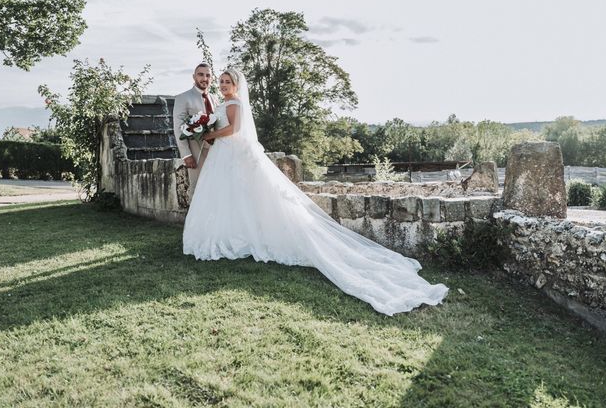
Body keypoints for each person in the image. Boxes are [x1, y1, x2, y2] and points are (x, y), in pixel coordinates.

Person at [182, 68, 448, 315]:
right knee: (230, 200)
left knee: (242, 197)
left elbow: (234, 130)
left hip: (233, 154)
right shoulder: (221, 102)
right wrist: (205, 130)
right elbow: (220, 127)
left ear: (236, 84)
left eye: (228, 82)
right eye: (222, 82)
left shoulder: (236, 103)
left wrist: (208, 135)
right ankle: (232, 235)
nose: (224, 85)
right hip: (224, 158)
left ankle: (246, 236)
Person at [173, 63, 220, 201]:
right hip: (196, 152)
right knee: (197, 189)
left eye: (208, 75)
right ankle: (195, 222)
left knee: (216, 188)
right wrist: (186, 155)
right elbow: (178, 127)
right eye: (201, 74)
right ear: (194, 77)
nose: (204, 78)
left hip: (217, 152)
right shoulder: (183, 98)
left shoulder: (215, 99)